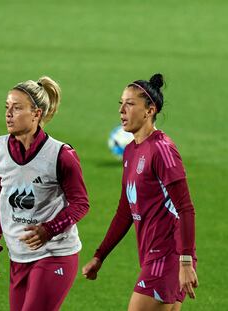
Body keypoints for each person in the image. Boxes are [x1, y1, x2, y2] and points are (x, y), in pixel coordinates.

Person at [82, 73, 198, 311]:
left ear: (150, 110)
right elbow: (125, 211)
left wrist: (185, 261)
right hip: (153, 256)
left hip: (168, 257)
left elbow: (185, 207)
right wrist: (100, 256)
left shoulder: (162, 150)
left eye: (130, 104)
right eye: (121, 104)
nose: (122, 110)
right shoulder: (130, 152)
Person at [0, 76, 89, 311]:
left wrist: (48, 230)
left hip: (55, 254)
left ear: (36, 114)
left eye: (17, 108)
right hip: (18, 256)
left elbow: (81, 204)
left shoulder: (61, 155)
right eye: (7, 107)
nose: (9, 114)